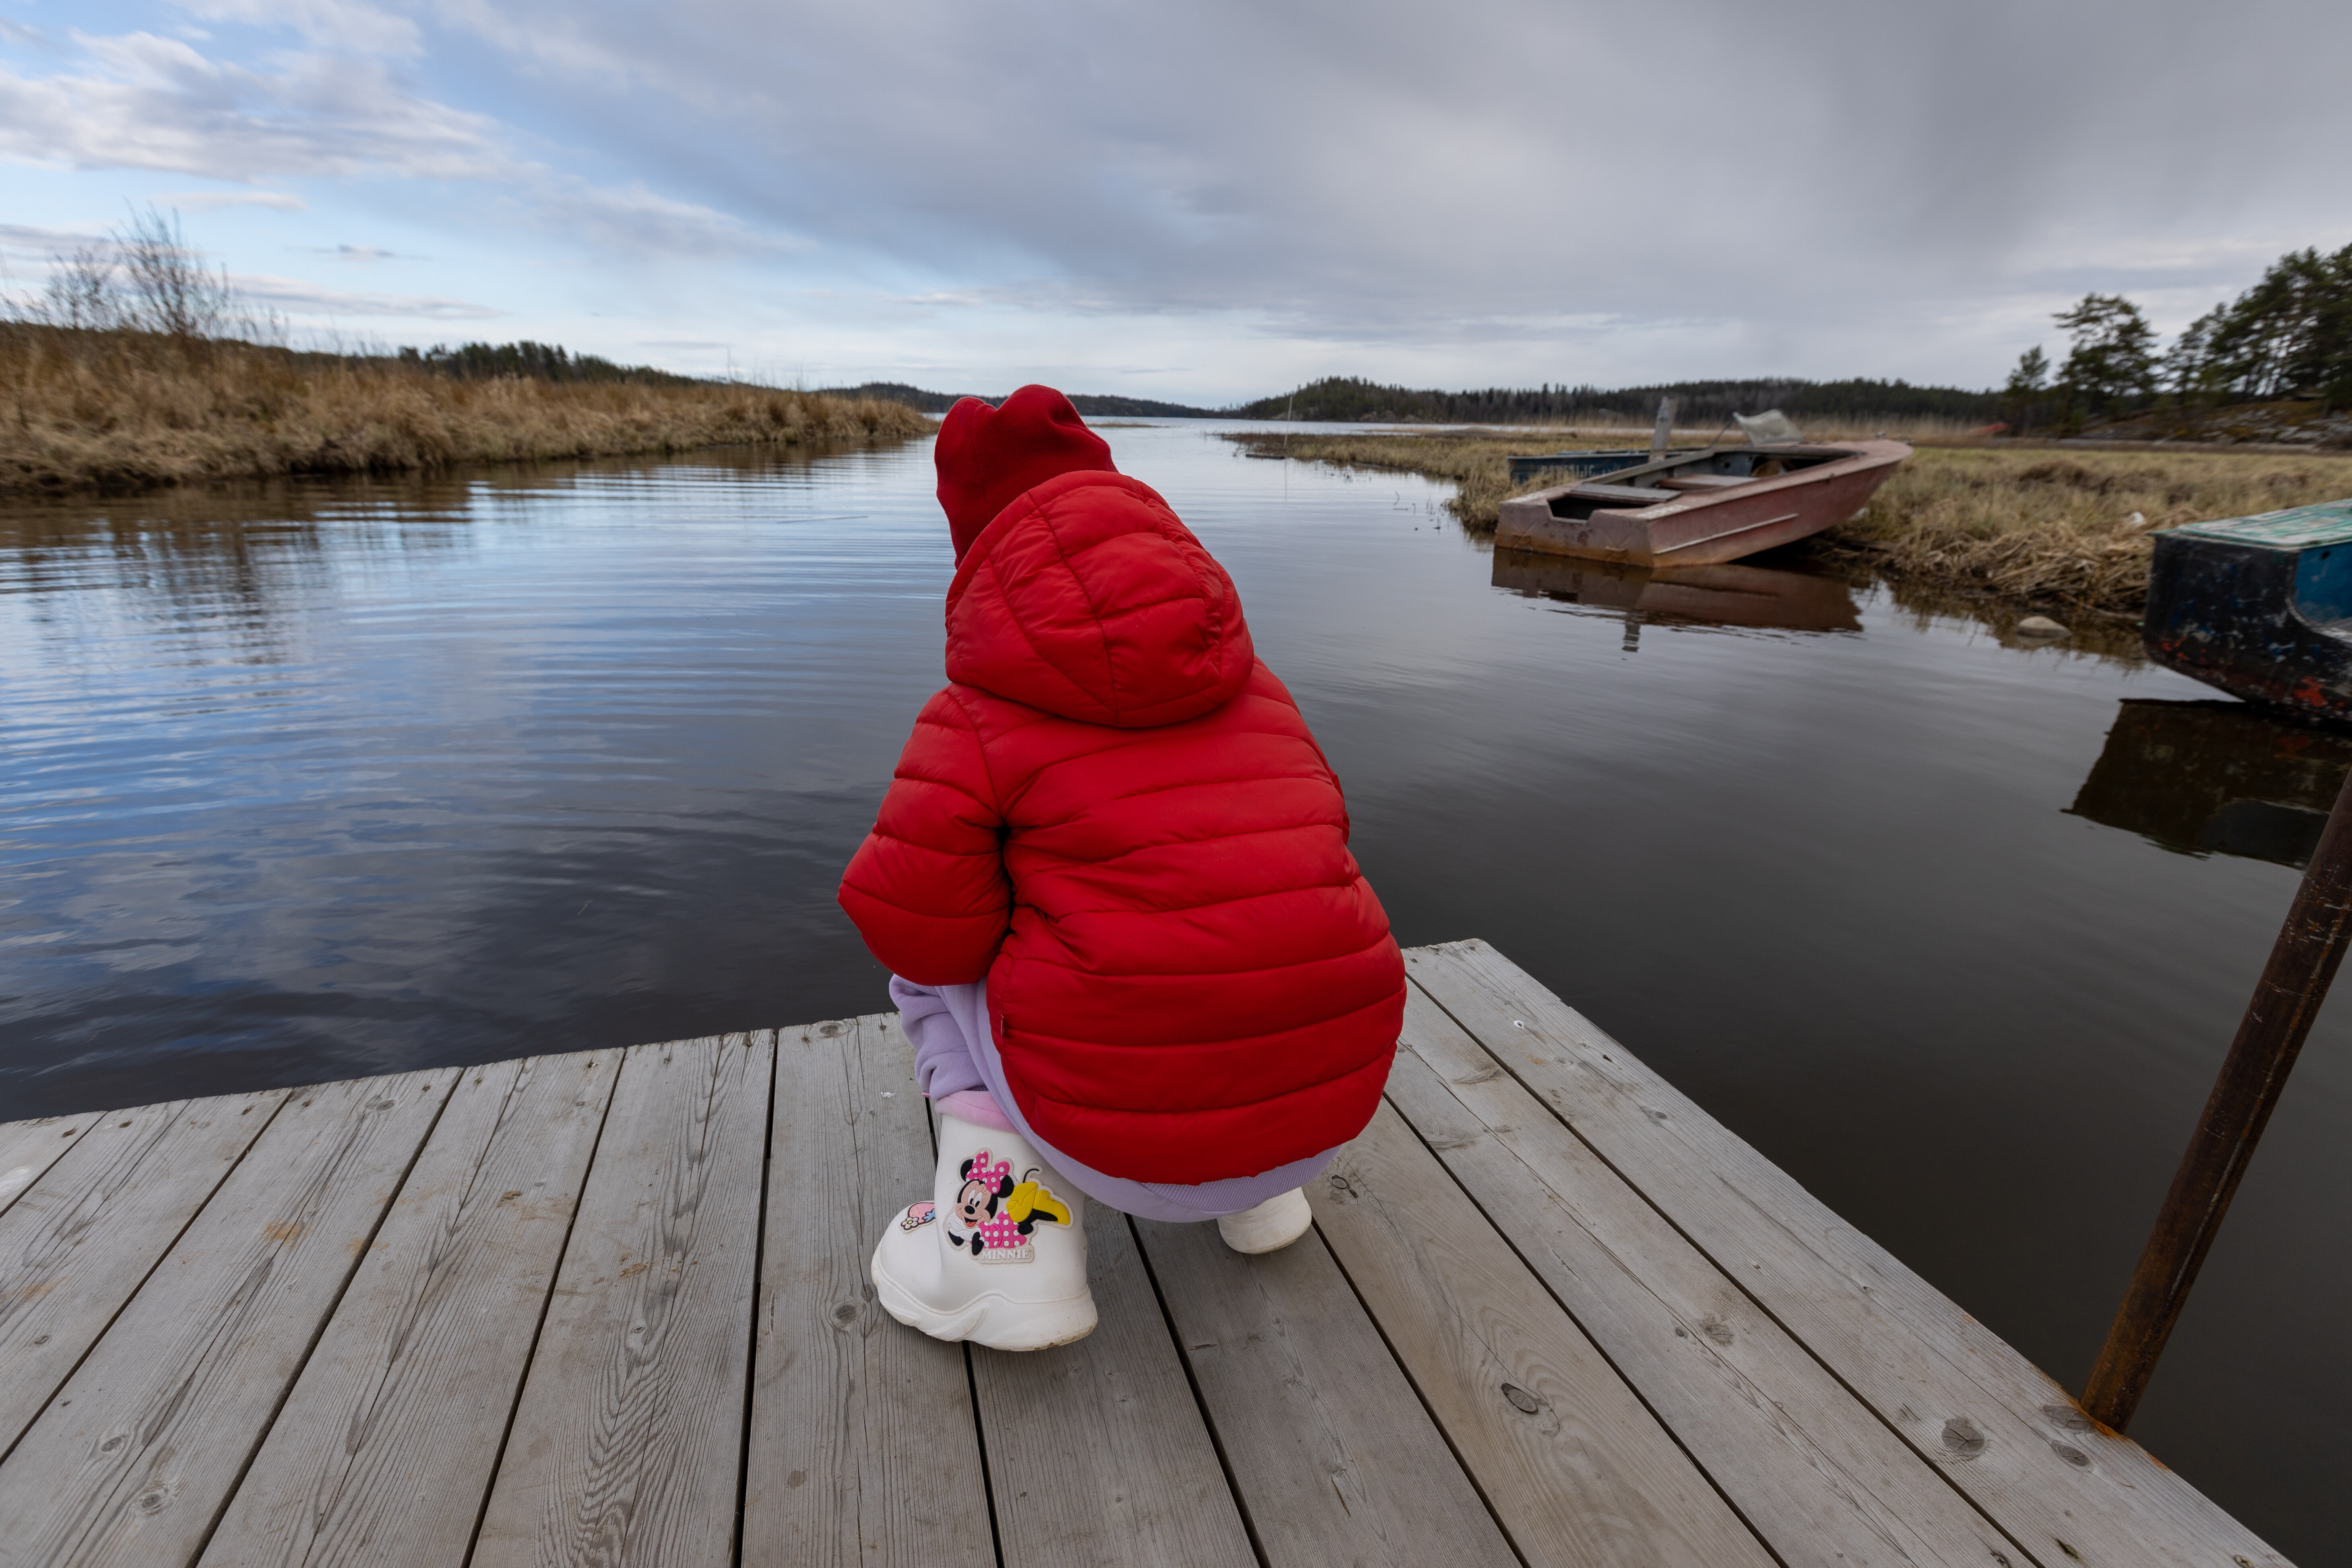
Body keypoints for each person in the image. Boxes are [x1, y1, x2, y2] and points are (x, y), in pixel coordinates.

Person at [839, 386, 1405, 1350]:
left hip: (1120, 1138)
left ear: (978, 552)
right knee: (1256, 902)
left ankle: (1004, 1259)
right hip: (1324, 1112)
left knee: (930, 974)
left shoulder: (974, 715)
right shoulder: (1256, 685)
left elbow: (916, 928)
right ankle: (1263, 1207)